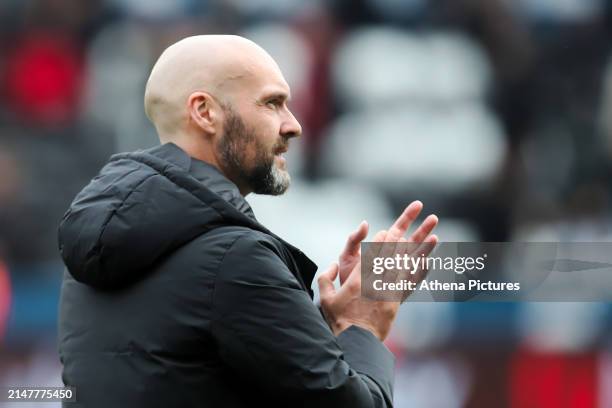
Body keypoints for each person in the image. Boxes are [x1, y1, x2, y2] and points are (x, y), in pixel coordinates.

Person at [57, 35, 438, 408]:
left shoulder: (91, 256)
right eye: (272, 104)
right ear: (205, 112)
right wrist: (364, 326)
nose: (293, 125)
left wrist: (316, 328)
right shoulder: (235, 260)